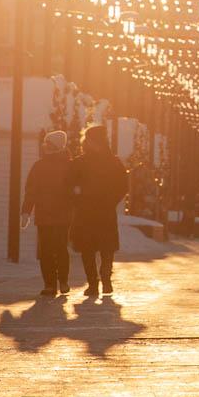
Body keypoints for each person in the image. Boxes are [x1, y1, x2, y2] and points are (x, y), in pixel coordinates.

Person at [70, 124, 128, 297]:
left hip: (86, 212)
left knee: (88, 249)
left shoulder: (80, 162)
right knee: (106, 248)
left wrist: (78, 198)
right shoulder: (114, 162)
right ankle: (105, 278)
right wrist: (111, 201)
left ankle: (94, 283)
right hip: (105, 211)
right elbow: (123, 186)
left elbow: (70, 184)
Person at [20, 130, 73, 297]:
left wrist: (26, 211)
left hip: (48, 215)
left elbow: (31, 191)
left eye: (47, 144)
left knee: (48, 250)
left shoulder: (41, 166)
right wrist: (26, 211)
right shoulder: (67, 165)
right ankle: (59, 282)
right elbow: (31, 191)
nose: (44, 147)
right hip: (59, 215)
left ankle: (52, 284)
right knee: (58, 248)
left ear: (55, 147)